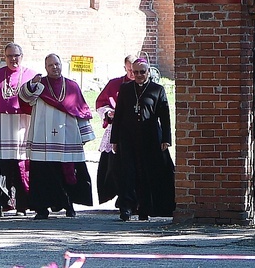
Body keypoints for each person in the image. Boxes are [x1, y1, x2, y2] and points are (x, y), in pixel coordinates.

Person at [19, 53, 95, 219]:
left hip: (67, 135)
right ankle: (41, 208)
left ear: (62, 65)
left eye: (57, 64)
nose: (55, 67)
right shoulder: (39, 85)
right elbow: (24, 97)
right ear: (45, 68)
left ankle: (69, 205)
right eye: (51, 65)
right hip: (42, 136)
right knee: (42, 174)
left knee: (68, 172)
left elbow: (80, 111)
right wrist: (32, 84)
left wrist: (84, 135)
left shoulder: (72, 86)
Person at [110, 57, 175, 221]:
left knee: (146, 173)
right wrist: (115, 139)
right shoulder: (125, 89)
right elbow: (118, 115)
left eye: (142, 72)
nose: (139, 75)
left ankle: (145, 208)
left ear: (148, 72)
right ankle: (126, 208)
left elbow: (165, 116)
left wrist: (166, 138)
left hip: (150, 137)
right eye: (135, 72)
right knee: (127, 173)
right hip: (127, 137)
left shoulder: (157, 89)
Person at [0, 42, 38, 217]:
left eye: (16, 55)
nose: (13, 59)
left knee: (20, 167)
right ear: (4, 57)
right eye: (9, 56)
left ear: (22, 56)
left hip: (22, 127)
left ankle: (22, 205)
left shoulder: (31, 75)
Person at [95, 54, 137, 205]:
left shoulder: (147, 84)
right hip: (117, 131)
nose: (133, 74)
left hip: (140, 132)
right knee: (115, 167)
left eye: (136, 70)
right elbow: (101, 103)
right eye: (130, 70)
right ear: (125, 68)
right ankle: (122, 196)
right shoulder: (115, 84)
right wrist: (108, 113)